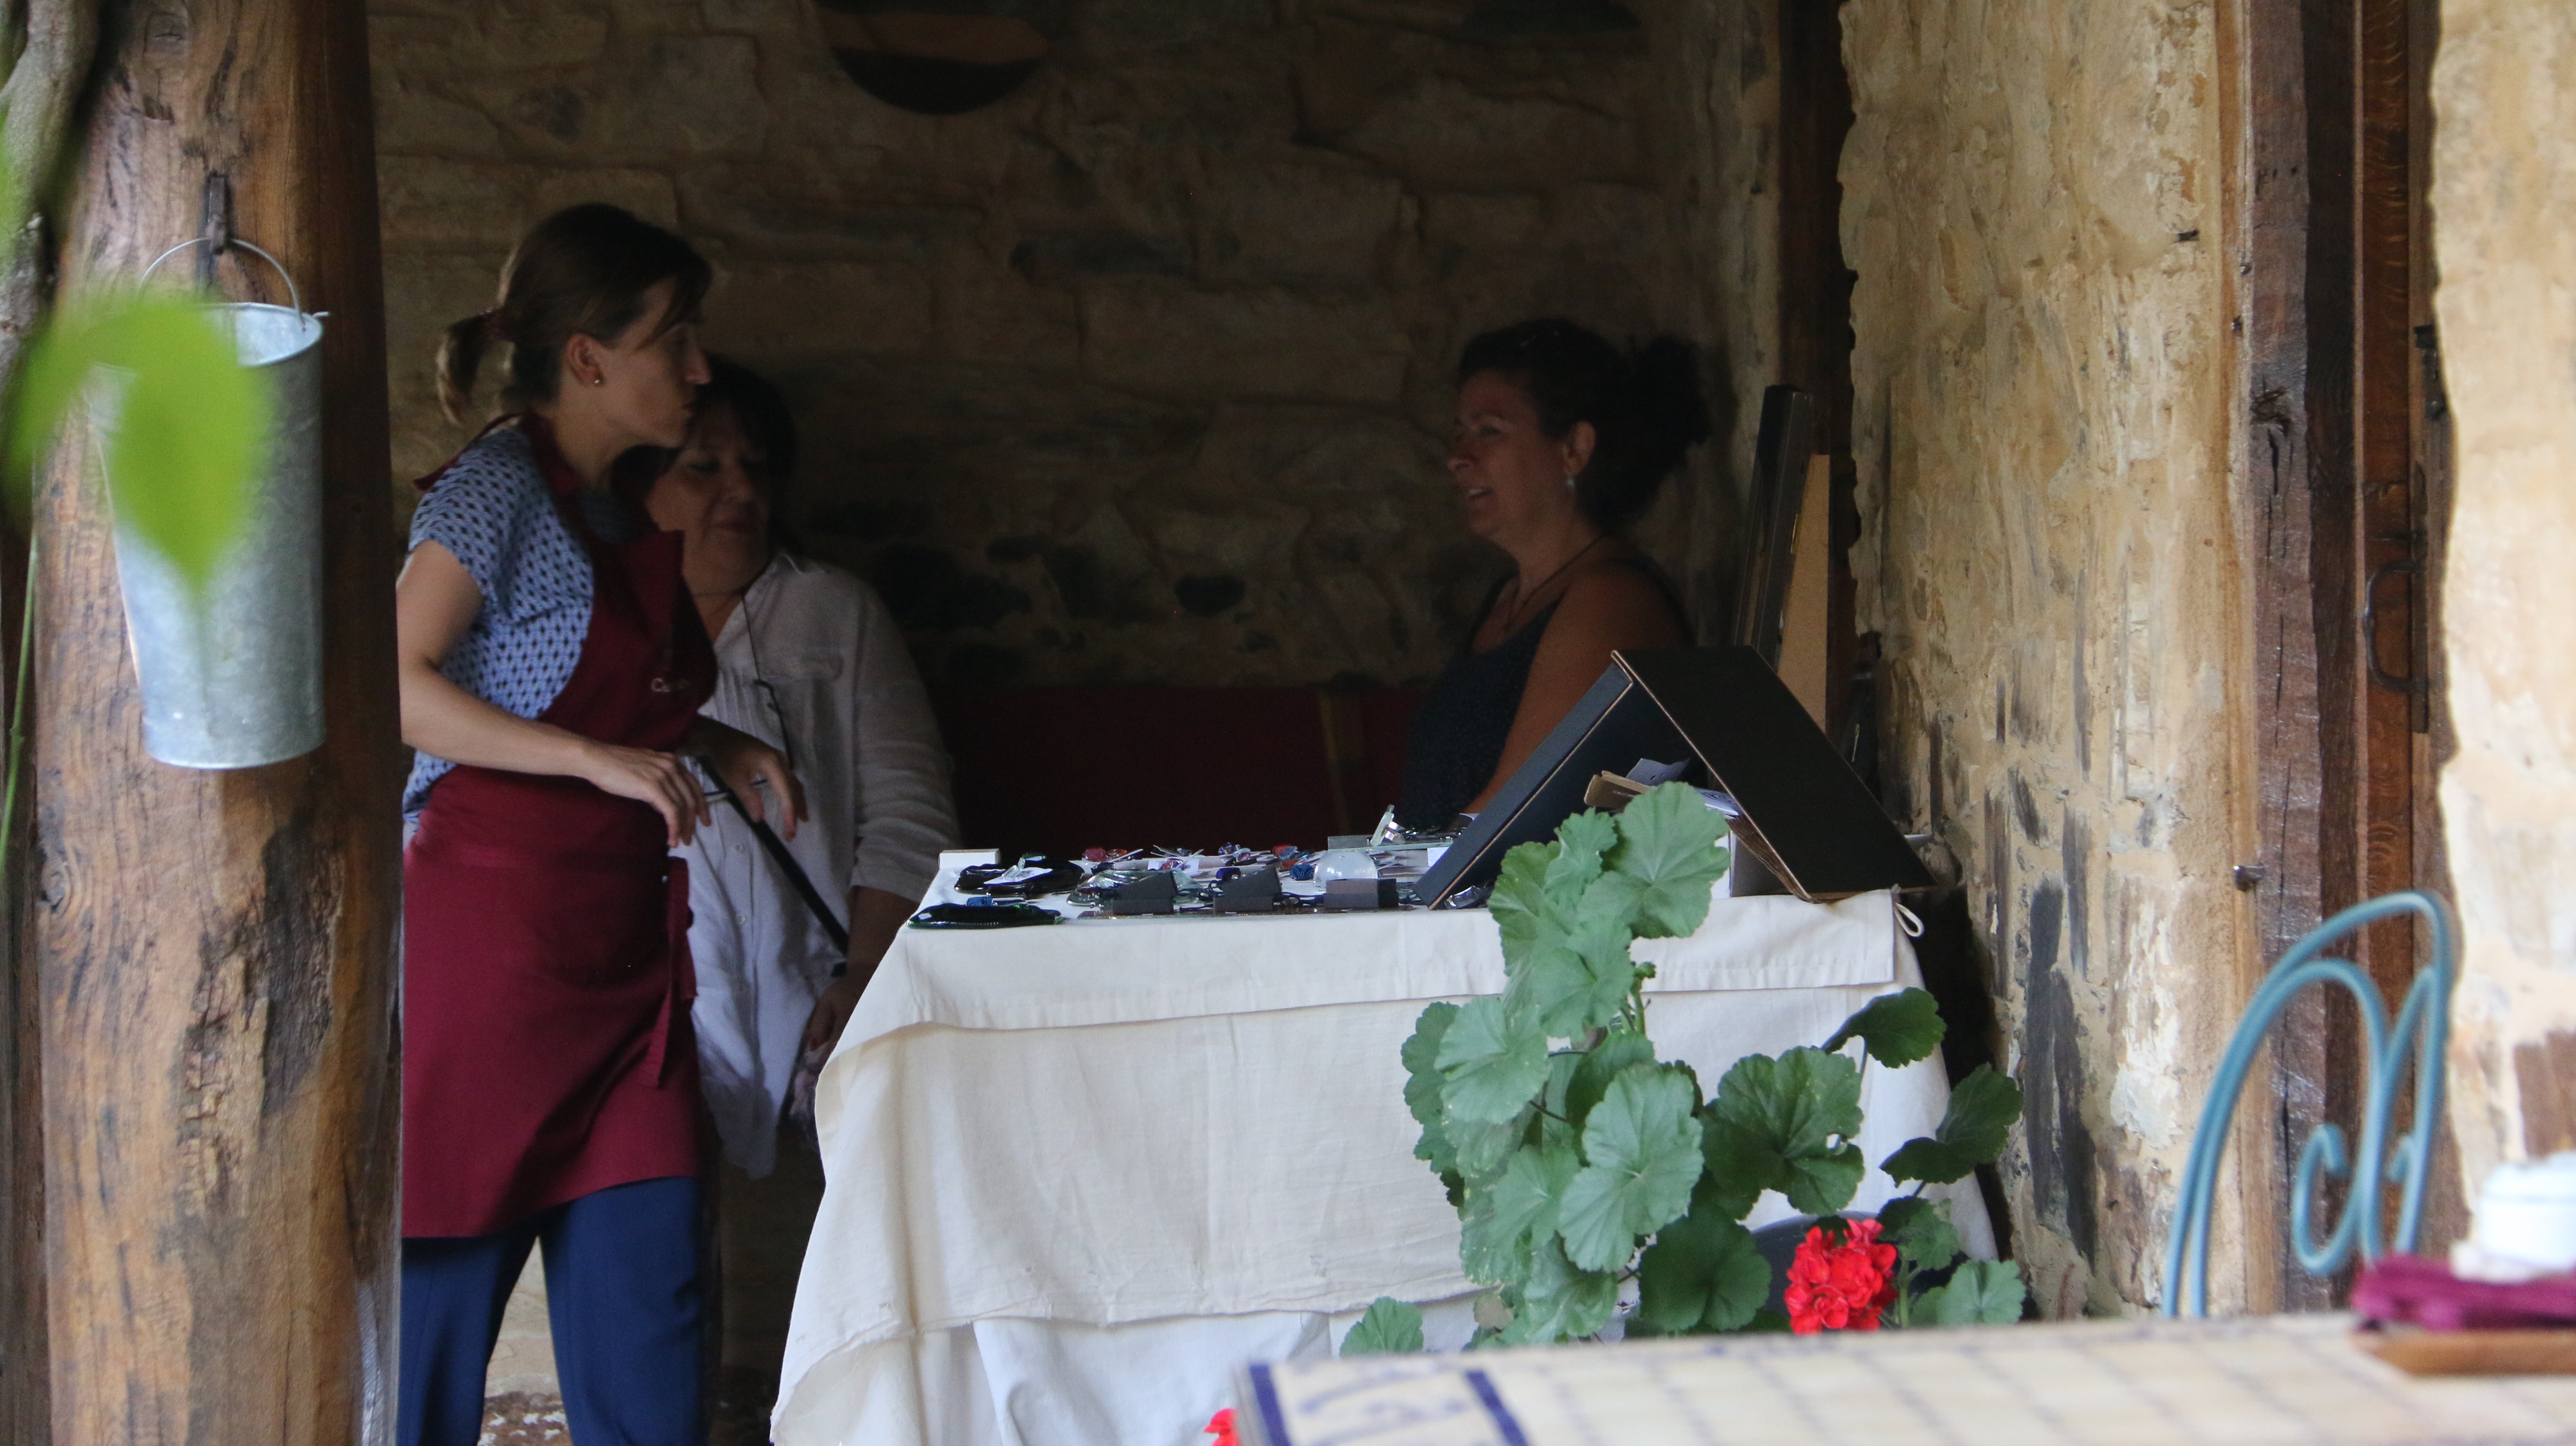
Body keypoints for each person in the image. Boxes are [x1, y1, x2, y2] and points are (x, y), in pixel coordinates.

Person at [393, 203, 804, 1446]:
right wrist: (591, 756)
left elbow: (607, 694)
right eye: (673, 339)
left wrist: (715, 744)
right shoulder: (490, 496)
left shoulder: (623, 510)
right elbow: (393, 684)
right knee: (438, 1324)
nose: (696, 369)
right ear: (587, 357)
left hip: (628, 980)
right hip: (495, 967)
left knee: (654, 1305)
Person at [625, 357, 959, 1180]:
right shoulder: (597, 622)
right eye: (705, 467)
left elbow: (908, 814)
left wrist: (866, 975)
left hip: (810, 987)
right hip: (644, 1004)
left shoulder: (830, 612)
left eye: (756, 467)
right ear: (640, 484)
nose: (741, 489)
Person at [1395, 319, 1711, 830]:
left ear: (1574, 449)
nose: (1458, 458)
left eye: (1489, 432)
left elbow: (1517, 812)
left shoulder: (1609, 600)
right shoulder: (1508, 598)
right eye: (1459, 433)